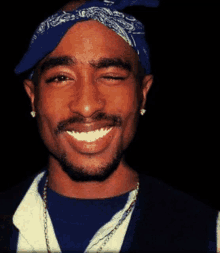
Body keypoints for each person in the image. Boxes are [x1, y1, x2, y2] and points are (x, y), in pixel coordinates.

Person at [0, 0, 219, 252]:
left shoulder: (208, 232)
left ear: (143, 94)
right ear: (33, 97)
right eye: (61, 78)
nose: (87, 106)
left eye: (111, 77)